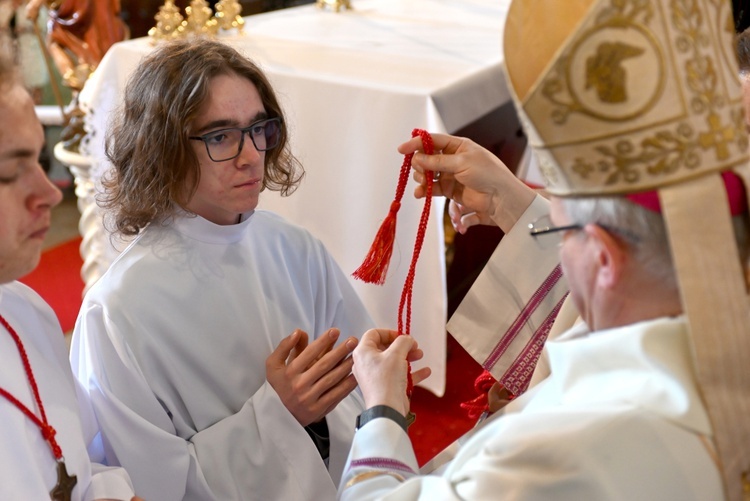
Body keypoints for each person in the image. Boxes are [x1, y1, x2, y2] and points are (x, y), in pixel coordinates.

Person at [338, 0, 750, 499]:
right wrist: (511, 203)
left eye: (562, 228)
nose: (554, 237)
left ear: (602, 258)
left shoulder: (556, 452)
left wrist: (381, 411)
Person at [70, 37, 375, 501]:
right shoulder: (116, 311)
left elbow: (358, 391)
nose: (252, 154)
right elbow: (147, 483)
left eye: (259, 128)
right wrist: (280, 414)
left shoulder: (293, 248)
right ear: (163, 149)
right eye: (220, 136)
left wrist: (377, 371)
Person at [0, 47, 140, 501]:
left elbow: (80, 468)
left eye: (39, 164)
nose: (48, 194)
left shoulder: (23, 310)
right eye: (11, 171)